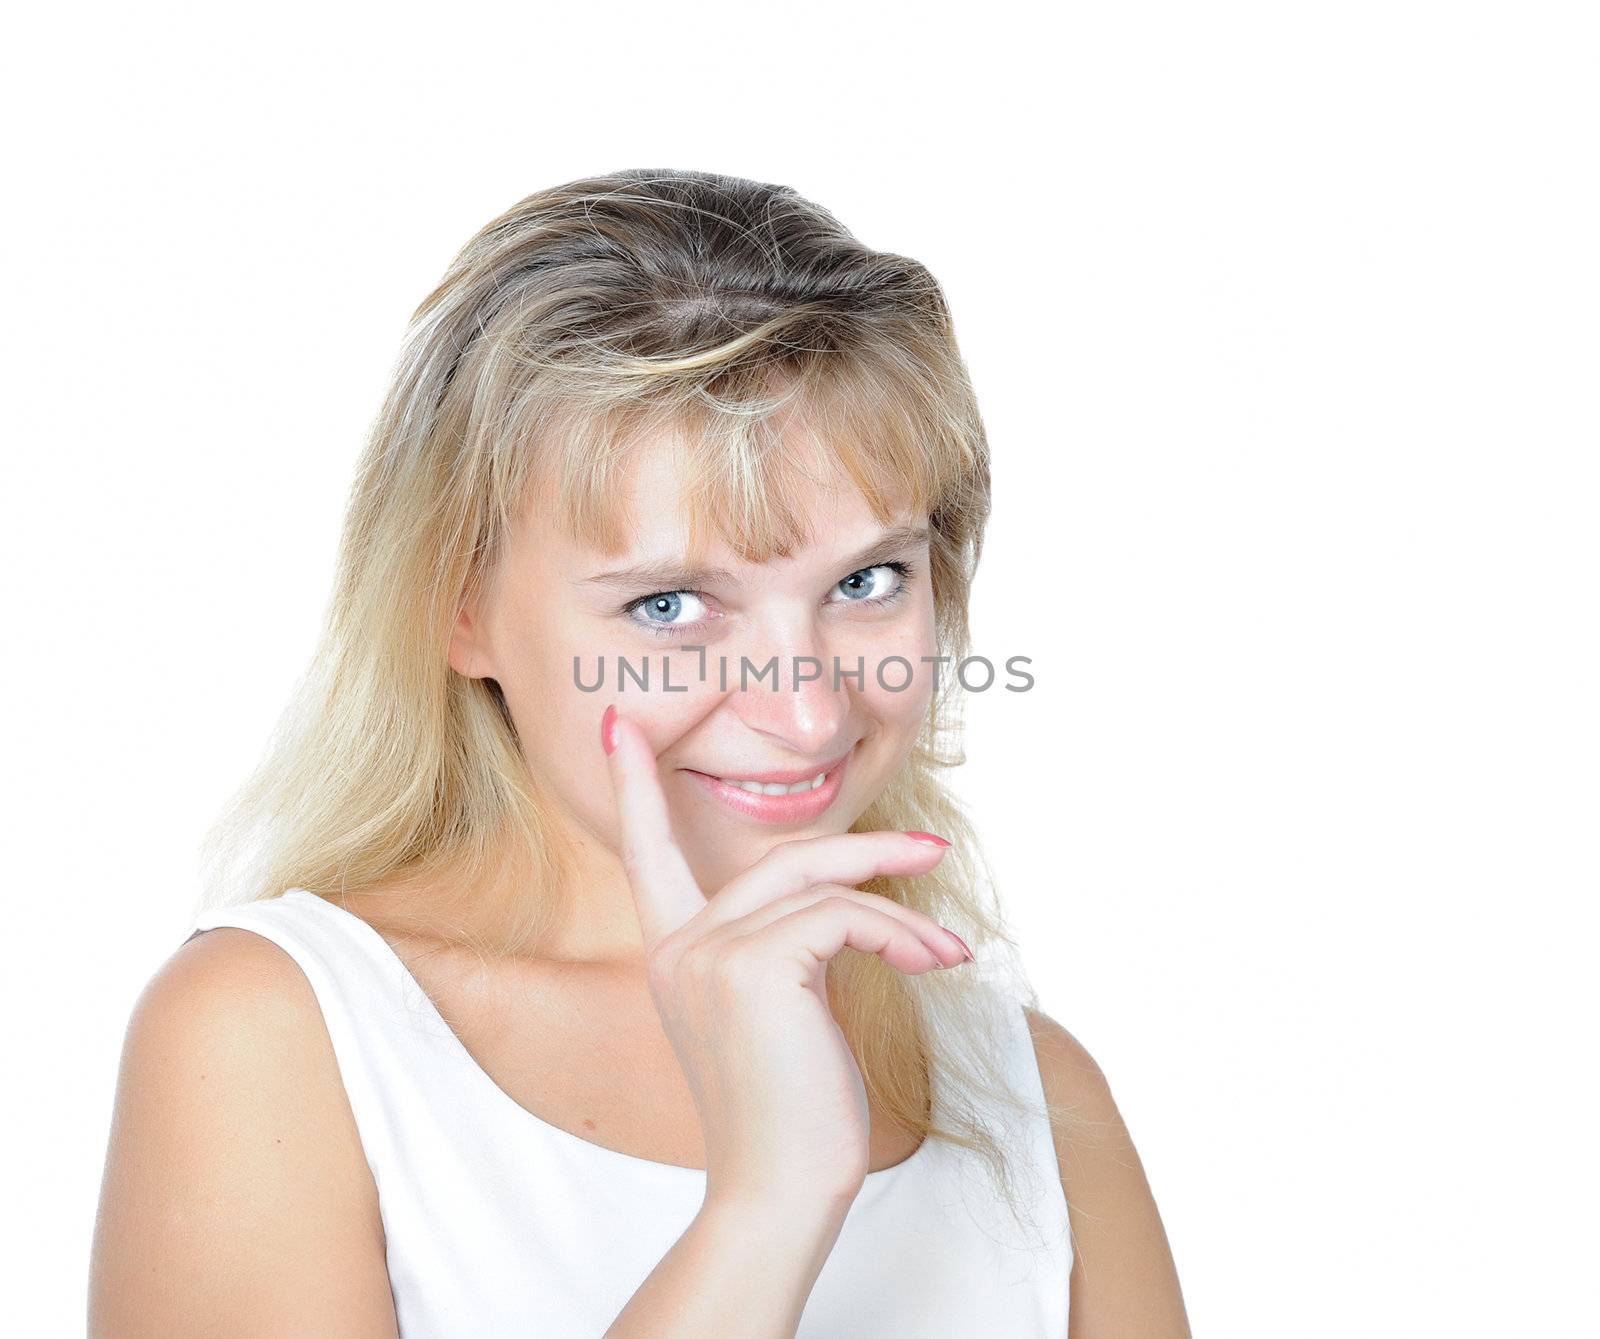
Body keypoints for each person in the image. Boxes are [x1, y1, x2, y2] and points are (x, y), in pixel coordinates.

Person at [88, 168, 1191, 1337]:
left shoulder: (1025, 1085)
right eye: (670, 605)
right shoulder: (274, 1036)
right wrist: (765, 1209)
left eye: (866, 582)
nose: (808, 711)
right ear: (457, 609)